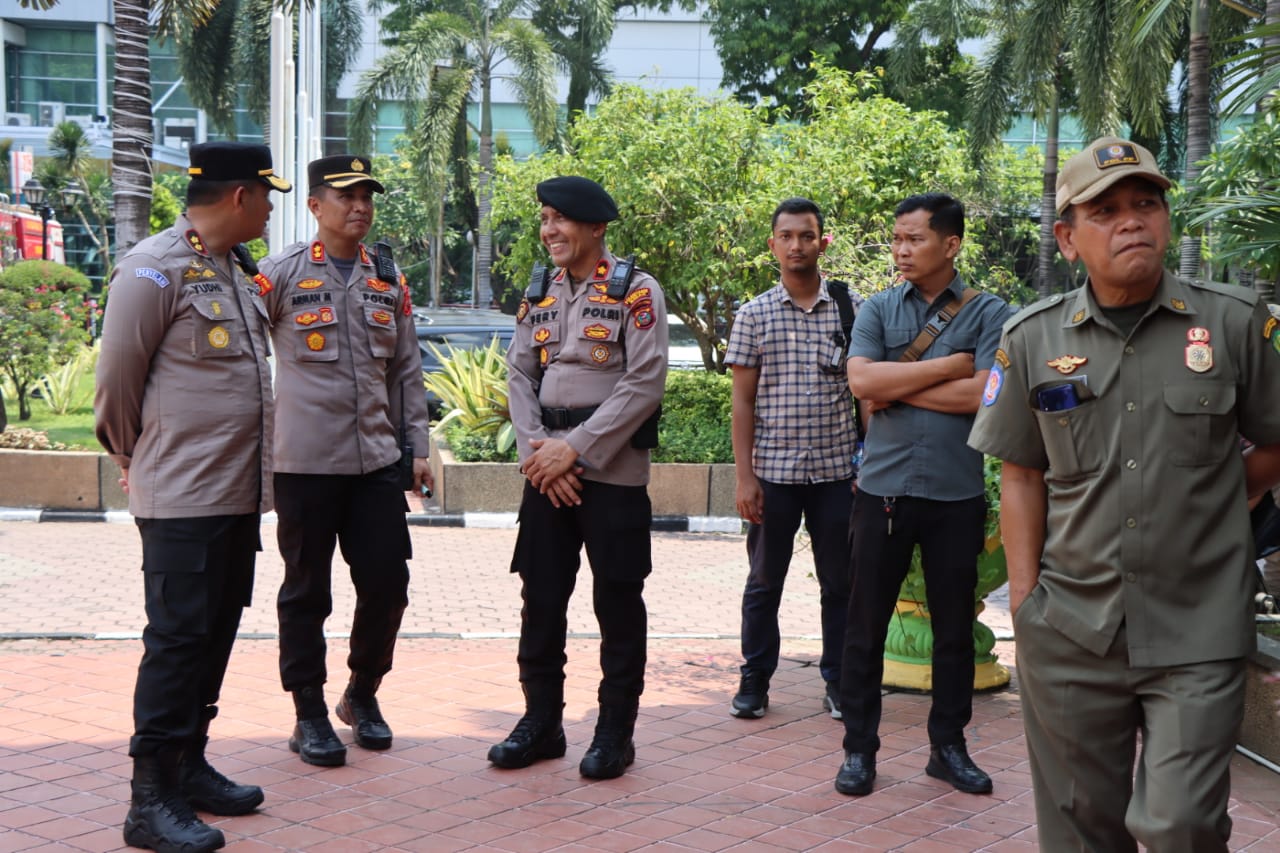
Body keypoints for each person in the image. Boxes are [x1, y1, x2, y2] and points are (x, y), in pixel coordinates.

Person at [969, 136, 1280, 851]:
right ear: (1067, 238)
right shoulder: (1032, 338)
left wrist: (1222, 501)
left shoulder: (1233, 323)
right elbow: (1020, 474)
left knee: (1181, 823)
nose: (1131, 221)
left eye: (1146, 204)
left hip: (1198, 622)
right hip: (1072, 627)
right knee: (1080, 830)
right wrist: (1025, 605)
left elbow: (1275, 439)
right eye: (1104, 210)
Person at [95, 141, 290, 852]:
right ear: (239, 197)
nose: (272, 207)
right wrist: (132, 454)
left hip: (234, 496)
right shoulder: (154, 269)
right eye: (267, 195)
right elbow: (116, 382)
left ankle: (189, 764)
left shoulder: (233, 271)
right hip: (181, 496)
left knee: (214, 633)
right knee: (176, 643)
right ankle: (149, 799)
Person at [487, 175, 668, 779]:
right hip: (547, 474)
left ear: (596, 228)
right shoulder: (538, 291)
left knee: (617, 601)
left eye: (560, 220)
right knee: (539, 600)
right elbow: (518, 375)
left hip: (611, 476)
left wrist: (576, 452)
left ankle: (615, 731)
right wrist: (541, 455)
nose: (549, 231)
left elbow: (643, 384)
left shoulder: (635, 292)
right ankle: (541, 723)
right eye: (544, 219)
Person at [259, 155, 433, 768]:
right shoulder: (277, 274)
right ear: (314, 206)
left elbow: (407, 371)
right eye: (346, 196)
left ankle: (360, 695)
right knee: (307, 592)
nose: (360, 206)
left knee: (388, 584)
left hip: (377, 465)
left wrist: (419, 449)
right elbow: (244, 365)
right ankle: (307, 709)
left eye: (367, 196)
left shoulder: (389, 279)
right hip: (304, 464)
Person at [834, 192, 1010, 797]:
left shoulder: (990, 312)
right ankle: (859, 750)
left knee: (955, 629)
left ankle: (948, 748)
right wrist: (947, 367)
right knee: (864, 627)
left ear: (950, 244)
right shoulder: (878, 308)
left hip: (955, 494)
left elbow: (984, 396)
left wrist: (898, 384)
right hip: (881, 490)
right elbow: (861, 380)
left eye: (914, 239)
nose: (900, 250)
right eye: (897, 239)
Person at [724, 197, 860, 721]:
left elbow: (865, 397)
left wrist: (863, 468)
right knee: (764, 582)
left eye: (807, 235)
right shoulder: (753, 314)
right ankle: (755, 679)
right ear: (772, 244)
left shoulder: (851, 309)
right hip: (773, 475)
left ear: (822, 242)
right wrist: (744, 477)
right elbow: (742, 401)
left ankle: (840, 682)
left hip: (836, 475)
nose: (797, 245)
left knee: (840, 584)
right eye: (787, 236)